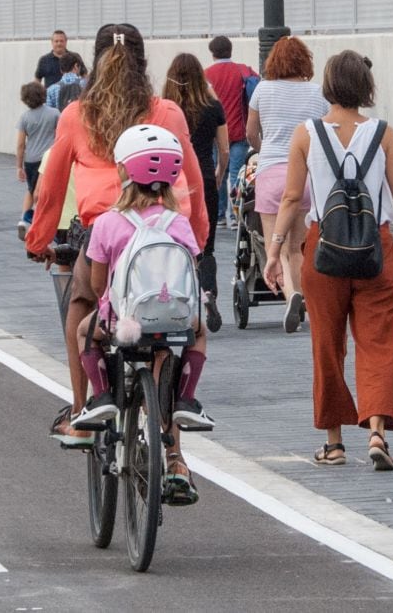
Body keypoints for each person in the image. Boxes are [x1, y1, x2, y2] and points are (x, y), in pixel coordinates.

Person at [263, 50, 393, 471]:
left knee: (327, 346)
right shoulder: (383, 133)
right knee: (380, 342)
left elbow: (292, 198)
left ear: (328, 86)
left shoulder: (305, 134)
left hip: (323, 250)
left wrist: (275, 251)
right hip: (377, 250)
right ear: (366, 87)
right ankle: (377, 432)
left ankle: (333, 444)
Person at [25, 23, 208, 446]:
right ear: (143, 65)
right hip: (164, 232)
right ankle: (173, 447)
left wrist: (38, 242)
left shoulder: (76, 115)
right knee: (168, 322)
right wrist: (195, 242)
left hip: (102, 232)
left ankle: (80, 411)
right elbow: (194, 185)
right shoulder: (167, 112)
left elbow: (51, 188)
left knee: (83, 302)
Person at [74, 123, 211, 504]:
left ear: (122, 172)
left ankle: (101, 396)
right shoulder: (179, 223)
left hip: (126, 323)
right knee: (195, 335)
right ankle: (184, 401)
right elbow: (190, 272)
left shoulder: (107, 223)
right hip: (174, 320)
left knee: (84, 329)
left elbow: (100, 286)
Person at [247, 36, 329, 333]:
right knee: (297, 248)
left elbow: (251, 132)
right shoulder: (318, 93)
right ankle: (301, 295)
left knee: (275, 247)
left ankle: (290, 296)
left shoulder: (262, 90)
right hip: (305, 175)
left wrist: (261, 149)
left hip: (270, 171)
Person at [163, 52, 228, 332]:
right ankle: (209, 293)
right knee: (205, 244)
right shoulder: (213, 106)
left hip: (171, 182)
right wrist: (219, 175)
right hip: (203, 177)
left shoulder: (166, 109)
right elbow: (224, 149)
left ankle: (179, 304)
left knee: (174, 246)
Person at [205, 35, 258, 228]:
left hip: (215, 133)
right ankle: (236, 216)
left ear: (212, 53)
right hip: (239, 130)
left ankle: (219, 216)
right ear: (230, 50)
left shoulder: (206, 74)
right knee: (236, 173)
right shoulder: (242, 71)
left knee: (219, 173)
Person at [15, 81, 59, 239]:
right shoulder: (54, 113)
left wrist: (19, 166)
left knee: (31, 189)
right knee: (48, 191)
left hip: (31, 159)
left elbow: (20, 144)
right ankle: (40, 221)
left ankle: (23, 220)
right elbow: (60, 135)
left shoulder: (24, 117)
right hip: (50, 158)